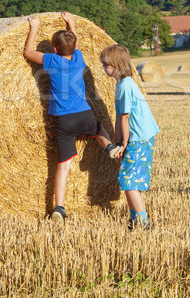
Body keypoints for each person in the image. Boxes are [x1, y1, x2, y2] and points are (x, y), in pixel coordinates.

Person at [23, 12, 120, 222]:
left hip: (62, 120)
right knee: (97, 129)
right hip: (83, 113)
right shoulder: (78, 58)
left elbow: (28, 52)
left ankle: (59, 207)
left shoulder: (52, 60)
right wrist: (72, 23)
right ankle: (109, 146)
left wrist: (34, 27)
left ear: (54, 50)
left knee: (63, 166)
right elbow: (74, 43)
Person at [100, 44, 160, 229]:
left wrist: (124, 143)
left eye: (105, 65)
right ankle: (135, 220)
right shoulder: (122, 85)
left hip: (139, 137)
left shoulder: (125, 86)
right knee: (129, 180)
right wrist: (118, 142)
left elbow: (125, 118)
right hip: (137, 136)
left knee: (128, 182)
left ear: (116, 65)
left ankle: (143, 222)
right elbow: (119, 118)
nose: (103, 68)